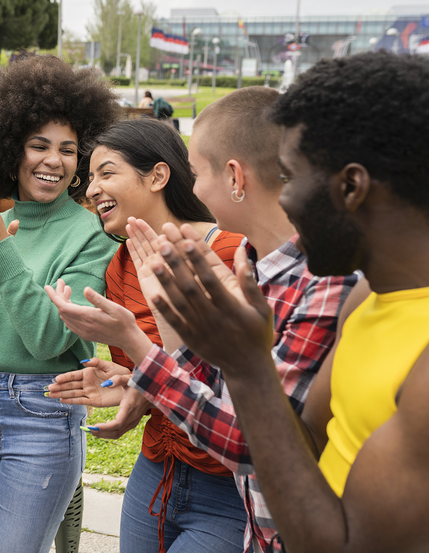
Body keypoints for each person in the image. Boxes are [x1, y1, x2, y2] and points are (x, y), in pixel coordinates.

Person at [48, 88, 360, 552]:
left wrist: (138, 349)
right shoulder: (246, 263)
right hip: (170, 477)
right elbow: (204, 375)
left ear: (233, 176)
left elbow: (249, 438)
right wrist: (136, 380)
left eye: (196, 173)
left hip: (235, 496)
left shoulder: (306, 278)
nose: (190, 188)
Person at [146, 53, 429, 553]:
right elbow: (303, 444)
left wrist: (249, 366)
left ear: (351, 187)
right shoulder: (365, 298)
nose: (286, 198)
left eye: (291, 175)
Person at [0, 55, 119, 553]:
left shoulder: (92, 234)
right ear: (12, 147)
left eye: (69, 150)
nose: (53, 160)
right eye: (38, 145)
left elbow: (50, 338)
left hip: (43, 413)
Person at [50, 118, 247, 553]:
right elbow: (152, 374)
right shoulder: (120, 266)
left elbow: (245, 381)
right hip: (156, 469)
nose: (92, 190)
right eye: (91, 178)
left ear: (157, 175)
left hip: (229, 487)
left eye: (107, 173)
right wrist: (128, 389)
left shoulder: (234, 254)